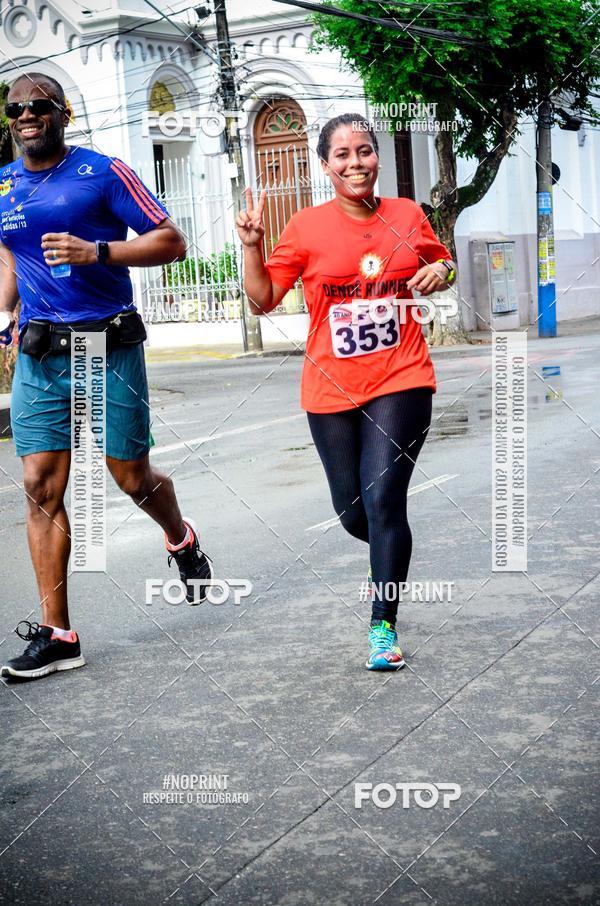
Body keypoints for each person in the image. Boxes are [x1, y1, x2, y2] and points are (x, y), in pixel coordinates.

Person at [0, 73, 213, 682]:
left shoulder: (104, 171)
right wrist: (3, 317)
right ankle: (58, 633)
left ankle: (179, 536)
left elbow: (171, 240)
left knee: (130, 476)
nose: (26, 115)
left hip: (107, 343)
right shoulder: (4, 184)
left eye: (39, 106)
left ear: (62, 113)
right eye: (16, 108)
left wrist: (98, 251)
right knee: (40, 485)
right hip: (40, 352)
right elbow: (9, 255)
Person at [236, 113, 456, 671]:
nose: (355, 163)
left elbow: (440, 262)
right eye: (342, 155)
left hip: (402, 376)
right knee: (355, 514)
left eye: (364, 151)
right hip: (329, 386)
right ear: (325, 164)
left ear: (377, 157)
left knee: (384, 500)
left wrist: (444, 271)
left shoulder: (407, 214)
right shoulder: (306, 228)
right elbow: (262, 300)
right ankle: (387, 554)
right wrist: (250, 247)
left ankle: (383, 626)